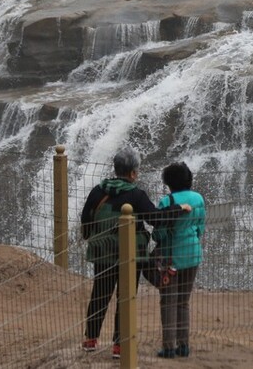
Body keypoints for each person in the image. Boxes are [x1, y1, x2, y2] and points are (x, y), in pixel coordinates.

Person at [79, 147, 191, 359]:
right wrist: (179, 209)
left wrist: (91, 239)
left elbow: (86, 218)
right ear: (132, 173)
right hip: (130, 254)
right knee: (125, 297)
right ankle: (119, 346)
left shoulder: (98, 190)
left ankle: (90, 339)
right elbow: (155, 219)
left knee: (100, 295)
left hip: (102, 252)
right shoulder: (135, 194)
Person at [155, 162, 206, 359]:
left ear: (168, 183)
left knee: (168, 301)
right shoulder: (198, 198)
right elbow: (200, 226)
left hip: (171, 259)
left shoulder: (167, 201)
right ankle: (184, 346)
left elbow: (160, 231)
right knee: (183, 302)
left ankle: (168, 348)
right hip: (192, 255)